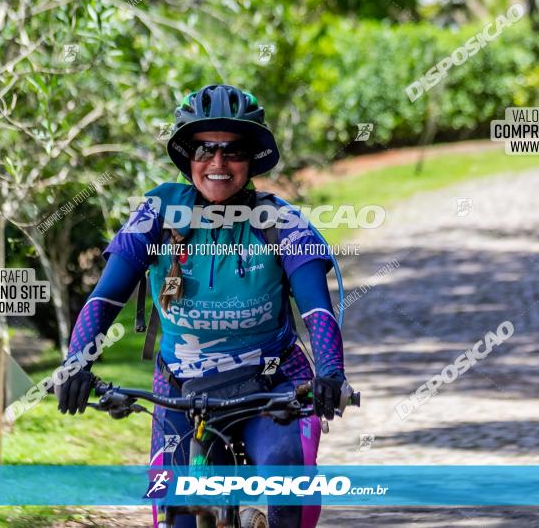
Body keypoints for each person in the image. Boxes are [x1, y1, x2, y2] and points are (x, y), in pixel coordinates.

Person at [56, 84, 349, 528]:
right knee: (174, 514)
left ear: (252, 158)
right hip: (180, 388)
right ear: (186, 156)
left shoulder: (283, 221)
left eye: (233, 150)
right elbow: (105, 297)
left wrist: (331, 372)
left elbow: (316, 311)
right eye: (204, 148)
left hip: (271, 387)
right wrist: (75, 363)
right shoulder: (157, 210)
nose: (217, 163)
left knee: (285, 484)